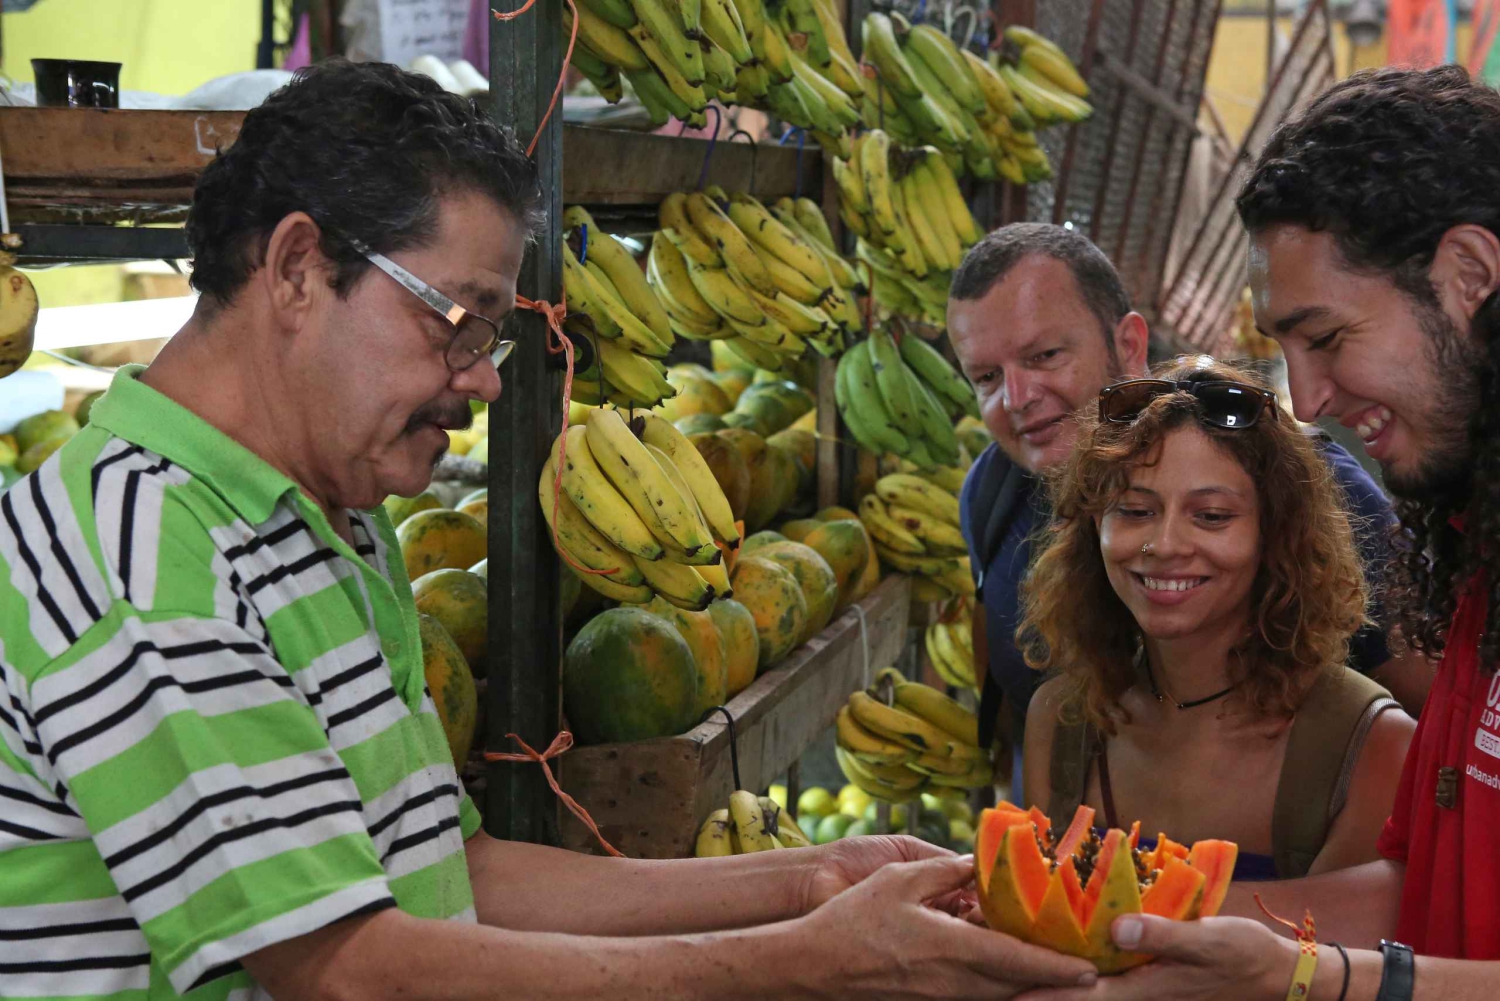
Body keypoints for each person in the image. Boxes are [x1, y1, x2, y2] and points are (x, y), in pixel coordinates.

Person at [0, 63, 1098, 1001]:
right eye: (459, 320)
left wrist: (817, 876)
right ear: (296, 268)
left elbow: (450, 871)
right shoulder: (143, 553)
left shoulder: (332, 520)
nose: (481, 377)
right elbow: (345, 966)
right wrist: (806, 958)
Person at [1023, 65, 1500, 1001]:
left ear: (1470, 276)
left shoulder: (1356, 728)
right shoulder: (1475, 546)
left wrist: (1321, 979)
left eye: (1325, 338)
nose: (1311, 399)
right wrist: (1138, 920)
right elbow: (1421, 888)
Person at [945, 225, 1427, 804]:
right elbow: (1004, 695)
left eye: (1045, 355)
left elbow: (1435, 716)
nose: (1017, 397)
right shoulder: (992, 492)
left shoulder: (1304, 483)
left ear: (1127, 344)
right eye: (987, 378)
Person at [1018, 358, 1413, 881]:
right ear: (1093, 526)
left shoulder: (1373, 745)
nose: (1165, 546)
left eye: (1211, 517)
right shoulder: (1061, 721)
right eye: (1135, 511)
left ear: (1276, 534)